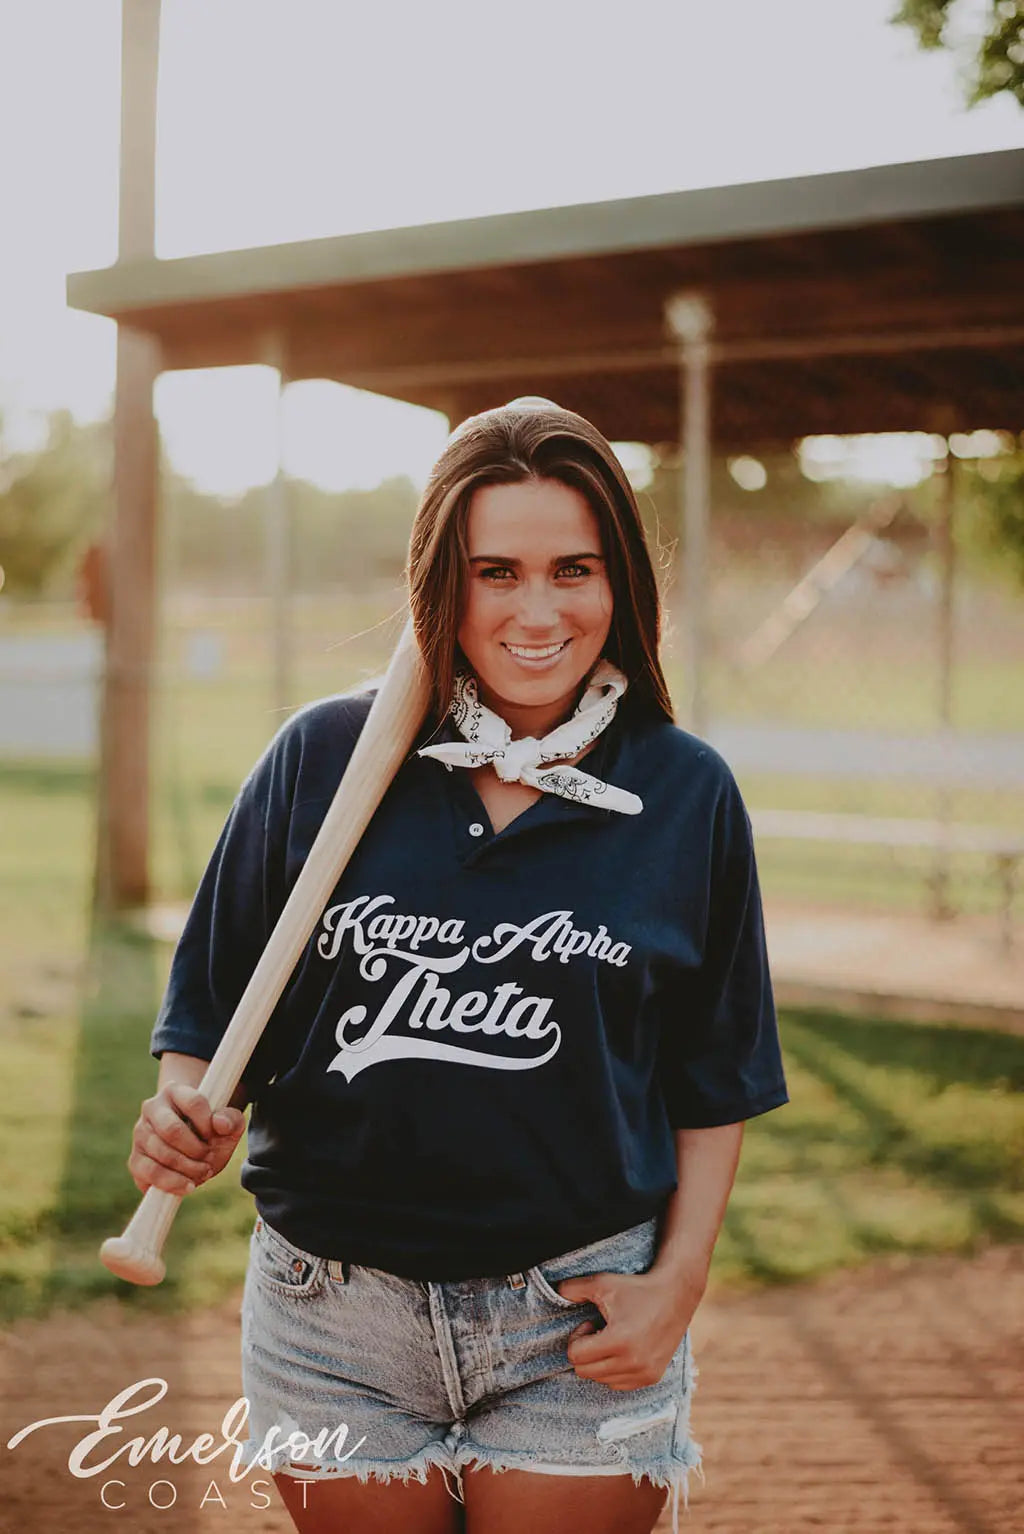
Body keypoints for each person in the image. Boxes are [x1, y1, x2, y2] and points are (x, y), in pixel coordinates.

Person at [129, 397, 788, 1534]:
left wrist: (676, 1285)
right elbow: (211, 1009)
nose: (538, 611)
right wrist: (182, 1107)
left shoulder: (683, 792)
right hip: (330, 1317)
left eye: (572, 569)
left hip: (572, 1323)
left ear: (620, 582)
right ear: (444, 582)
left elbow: (712, 1080)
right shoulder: (322, 760)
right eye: (496, 572)